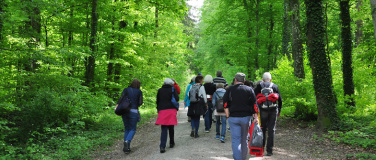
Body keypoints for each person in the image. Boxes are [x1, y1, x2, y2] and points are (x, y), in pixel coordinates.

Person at [223, 73, 258, 160]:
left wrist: (228, 116)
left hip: (233, 118)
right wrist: (256, 117)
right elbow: (254, 104)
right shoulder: (249, 89)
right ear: (244, 81)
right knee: (244, 139)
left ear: (235, 80)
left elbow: (225, 103)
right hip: (246, 118)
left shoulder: (230, 89)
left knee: (236, 140)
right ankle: (243, 158)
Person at [254, 72, 282, 156]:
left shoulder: (259, 86)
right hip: (273, 110)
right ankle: (269, 151)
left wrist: (255, 111)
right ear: (271, 79)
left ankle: (260, 150)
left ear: (262, 79)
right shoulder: (275, 86)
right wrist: (279, 110)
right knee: (271, 130)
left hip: (263, 110)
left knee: (262, 129)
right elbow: (280, 100)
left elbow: (254, 98)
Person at [116, 79, 143, 154]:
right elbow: (140, 102)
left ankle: (126, 147)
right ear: (138, 85)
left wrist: (117, 106)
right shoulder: (139, 91)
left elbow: (121, 98)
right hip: (133, 111)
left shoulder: (126, 89)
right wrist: (136, 104)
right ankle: (127, 142)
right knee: (132, 129)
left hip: (124, 111)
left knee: (127, 129)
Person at [155, 78, 179, 153]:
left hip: (162, 110)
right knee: (171, 127)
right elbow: (177, 98)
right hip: (171, 110)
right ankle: (171, 143)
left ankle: (162, 146)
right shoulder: (172, 89)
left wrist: (158, 109)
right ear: (171, 83)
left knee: (164, 128)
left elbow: (157, 101)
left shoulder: (160, 90)